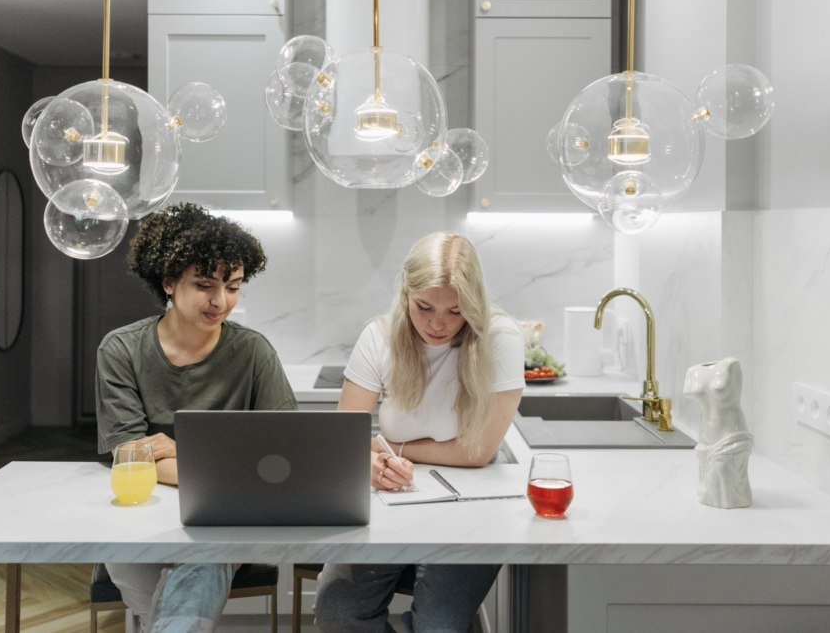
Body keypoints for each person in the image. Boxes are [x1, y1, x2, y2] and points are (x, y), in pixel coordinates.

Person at [96, 203, 298, 633]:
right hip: (139, 514)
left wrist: (177, 451)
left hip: (222, 516)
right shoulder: (121, 350)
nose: (220, 301)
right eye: (205, 285)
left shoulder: (253, 353)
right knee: (178, 588)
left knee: (204, 557)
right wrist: (229, 465)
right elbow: (130, 454)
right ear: (168, 282)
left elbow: (283, 454)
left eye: (234, 286)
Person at [313, 231, 525, 633]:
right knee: (337, 612)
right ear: (405, 294)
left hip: (473, 503)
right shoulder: (379, 336)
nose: (438, 324)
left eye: (456, 311)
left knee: (438, 626)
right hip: (390, 498)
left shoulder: (501, 339)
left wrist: (393, 447)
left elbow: (476, 452)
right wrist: (372, 464)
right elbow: (344, 437)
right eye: (424, 306)